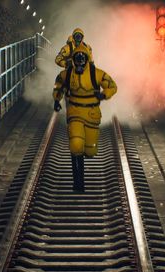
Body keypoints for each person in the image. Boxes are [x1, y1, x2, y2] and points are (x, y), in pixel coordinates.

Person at [52, 47, 117, 193]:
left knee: (90, 150)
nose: (80, 61)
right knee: (76, 145)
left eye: (82, 58)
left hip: (92, 115)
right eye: (77, 58)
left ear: (87, 59)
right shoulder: (67, 74)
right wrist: (56, 100)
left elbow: (112, 86)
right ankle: (78, 183)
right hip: (75, 113)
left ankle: (80, 178)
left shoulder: (96, 74)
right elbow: (59, 85)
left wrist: (104, 94)